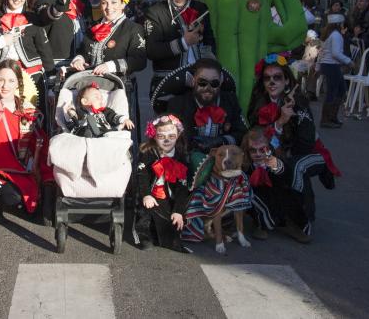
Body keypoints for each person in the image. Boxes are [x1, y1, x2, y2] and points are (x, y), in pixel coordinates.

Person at [247, 54, 340, 230]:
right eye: (267, 78)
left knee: (294, 167)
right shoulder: (260, 103)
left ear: (287, 81)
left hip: (310, 154)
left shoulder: (299, 103)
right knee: (260, 163)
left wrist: (290, 122)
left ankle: (302, 220)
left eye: (277, 77)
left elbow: (305, 145)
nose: (272, 82)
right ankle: (273, 213)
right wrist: (280, 122)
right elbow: (255, 136)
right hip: (279, 154)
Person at [137, 0, 220, 111]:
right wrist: (184, 42)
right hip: (167, 80)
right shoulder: (155, 12)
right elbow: (152, 51)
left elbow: (210, 41)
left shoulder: (201, 8)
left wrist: (211, 68)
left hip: (199, 82)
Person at [0, 59, 53, 215]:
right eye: (1, 80)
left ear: (18, 83)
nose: (5, 86)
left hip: (26, 166)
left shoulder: (28, 110)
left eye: (10, 81)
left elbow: (39, 143)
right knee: (14, 196)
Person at [165, 58, 247, 177]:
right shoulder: (178, 104)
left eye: (214, 83)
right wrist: (193, 144)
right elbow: (170, 139)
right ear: (193, 81)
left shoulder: (229, 101)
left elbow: (241, 133)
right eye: (202, 83)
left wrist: (220, 141)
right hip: (189, 167)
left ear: (221, 81)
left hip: (224, 163)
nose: (208, 88)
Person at [30, 0, 110, 67]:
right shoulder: (47, 2)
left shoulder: (85, 4)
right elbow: (46, 16)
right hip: (57, 64)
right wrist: (58, 8)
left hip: (82, 62)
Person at [242, 127, 311, 242]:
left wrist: (276, 166)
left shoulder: (274, 159)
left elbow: (284, 172)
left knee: (290, 194)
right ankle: (260, 223)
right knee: (249, 195)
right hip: (256, 195)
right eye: (253, 150)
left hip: (276, 191)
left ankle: (290, 224)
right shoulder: (246, 164)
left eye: (262, 150)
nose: (258, 154)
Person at [134, 114, 190, 252]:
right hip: (151, 192)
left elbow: (182, 186)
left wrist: (178, 211)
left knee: (172, 227)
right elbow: (142, 176)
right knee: (145, 212)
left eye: (171, 136)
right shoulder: (148, 152)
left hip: (168, 195)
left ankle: (166, 237)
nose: (166, 140)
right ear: (154, 136)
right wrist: (146, 194)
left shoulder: (181, 155)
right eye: (161, 136)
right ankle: (144, 237)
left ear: (178, 136)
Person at [70, 0, 146, 77]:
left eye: (114, 2)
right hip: (90, 84)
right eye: (104, 3)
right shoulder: (93, 26)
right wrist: (79, 60)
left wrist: (110, 66)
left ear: (123, 3)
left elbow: (139, 60)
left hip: (119, 86)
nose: (109, 7)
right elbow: (83, 51)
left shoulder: (133, 28)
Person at [317, 14, 353, 128]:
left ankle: (331, 117)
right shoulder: (336, 35)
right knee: (334, 92)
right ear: (339, 24)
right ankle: (326, 119)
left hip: (328, 65)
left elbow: (323, 51)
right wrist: (349, 61)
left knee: (340, 90)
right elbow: (336, 53)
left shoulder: (329, 34)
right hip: (332, 65)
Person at [63, 82, 134, 137]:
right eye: (97, 97)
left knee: (115, 133)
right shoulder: (80, 111)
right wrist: (70, 111)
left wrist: (124, 120)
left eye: (101, 98)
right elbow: (70, 119)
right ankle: (90, 134)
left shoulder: (104, 111)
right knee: (78, 127)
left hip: (103, 131)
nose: (101, 100)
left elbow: (114, 117)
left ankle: (114, 130)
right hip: (84, 130)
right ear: (85, 101)